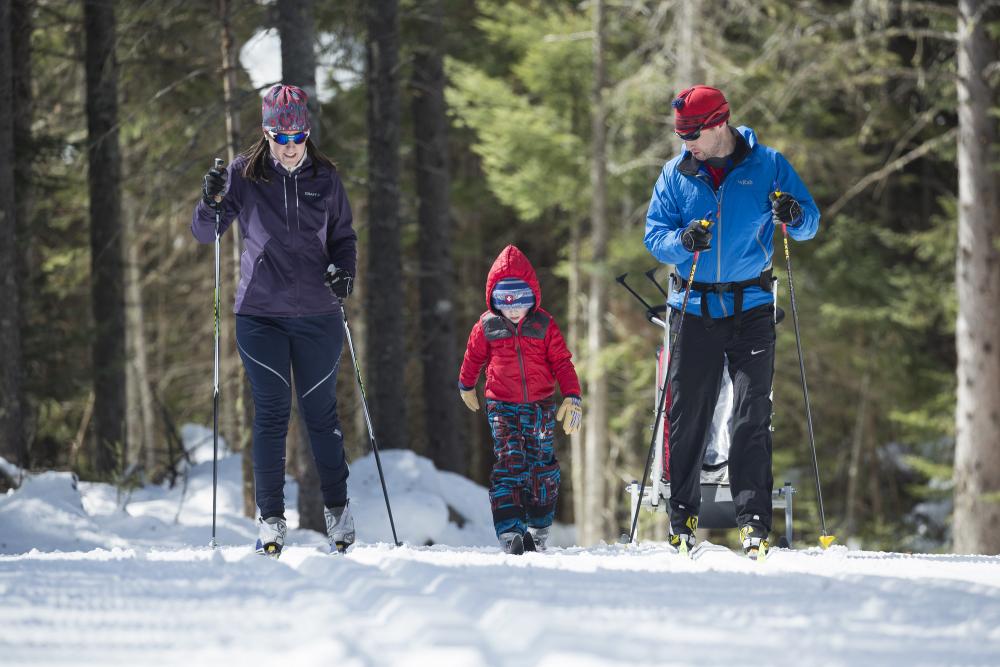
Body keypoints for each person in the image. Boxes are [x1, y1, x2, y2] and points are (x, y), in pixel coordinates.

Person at [643, 85, 819, 558]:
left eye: (693, 133)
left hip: (751, 308)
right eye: (681, 134)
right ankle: (682, 518)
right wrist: (684, 241)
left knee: (750, 415)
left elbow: (809, 224)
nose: (687, 143)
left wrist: (794, 214)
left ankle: (754, 522)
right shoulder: (675, 173)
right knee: (687, 415)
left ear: (719, 123)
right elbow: (655, 238)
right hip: (694, 308)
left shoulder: (769, 165)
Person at [192, 84, 358, 557]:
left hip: (319, 315)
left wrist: (345, 273)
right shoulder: (244, 176)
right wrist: (209, 201)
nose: (290, 147)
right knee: (270, 413)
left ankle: (338, 511)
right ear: (266, 134)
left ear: (307, 133)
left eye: (298, 136)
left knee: (320, 414)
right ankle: (270, 521)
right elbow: (206, 233)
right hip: (260, 315)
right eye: (280, 137)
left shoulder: (325, 178)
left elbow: (344, 237)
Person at [458, 245, 582, 555]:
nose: (513, 310)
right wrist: (466, 385)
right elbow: (473, 357)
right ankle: (509, 529)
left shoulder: (544, 325)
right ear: (495, 300)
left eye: (520, 302)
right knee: (510, 461)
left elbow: (562, 362)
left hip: (539, 405)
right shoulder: (487, 326)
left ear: (532, 298)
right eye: (506, 302)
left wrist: (572, 396)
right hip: (501, 405)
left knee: (540, 463)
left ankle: (538, 526)